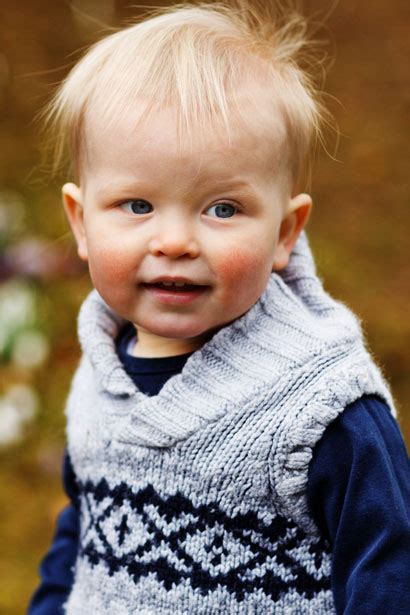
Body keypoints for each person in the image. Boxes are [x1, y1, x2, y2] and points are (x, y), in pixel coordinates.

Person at [28, 2, 409, 613]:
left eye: (222, 209)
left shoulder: (318, 405)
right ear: (79, 220)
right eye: (137, 205)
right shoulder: (100, 370)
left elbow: (389, 566)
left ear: (285, 232)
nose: (174, 242)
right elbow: (83, 534)